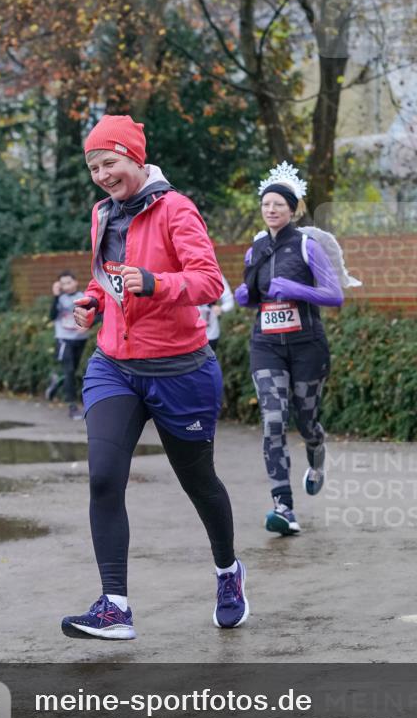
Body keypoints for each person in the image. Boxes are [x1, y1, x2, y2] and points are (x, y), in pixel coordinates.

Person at [60, 114, 248, 640]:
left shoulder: (176, 209)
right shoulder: (103, 214)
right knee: (102, 477)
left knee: (199, 482)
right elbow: (108, 277)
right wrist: (93, 301)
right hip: (114, 366)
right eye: (94, 166)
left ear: (135, 159)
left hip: (179, 370)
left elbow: (209, 281)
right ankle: (114, 607)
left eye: (110, 162)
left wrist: (153, 282)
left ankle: (228, 572)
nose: (102, 174)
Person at [235, 161, 355, 536]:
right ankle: (283, 507)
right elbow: (255, 297)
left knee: (305, 422)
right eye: (266, 204)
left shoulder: (307, 245)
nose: (271, 210)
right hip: (266, 345)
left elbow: (334, 295)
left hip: (307, 347)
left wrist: (296, 289)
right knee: (272, 420)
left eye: (279, 205)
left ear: (293, 208)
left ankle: (317, 454)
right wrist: (245, 296)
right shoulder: (255, 248)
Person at [45, 270, 89, 419]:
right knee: (69, 370)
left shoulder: (83, 297)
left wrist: (88, 325)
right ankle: (72, 407)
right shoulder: (59, 299)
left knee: (72, 371)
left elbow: (97, 315)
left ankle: (57, 381)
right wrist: (56, 296)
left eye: (69, 282)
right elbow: (51, 316)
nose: (66, 286)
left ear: (76, 282)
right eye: (63, 284)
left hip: (80, 339)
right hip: (63, 339)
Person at [198, 274, 234, 352]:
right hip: (187, 335)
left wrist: (221, 309)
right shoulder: (181, 273)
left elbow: (229, 301)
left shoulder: (216, 275)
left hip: (210, 333)